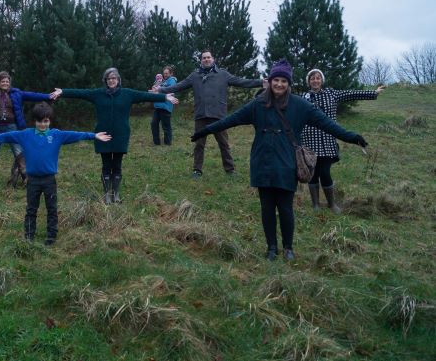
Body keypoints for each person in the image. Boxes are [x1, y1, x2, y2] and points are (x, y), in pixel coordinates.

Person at [190, 60, 368, 261]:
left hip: (287, 162)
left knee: (285, 207)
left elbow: (327, 124)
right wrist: (204, 130)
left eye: (284, 80)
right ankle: (271, 248)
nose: (279, 84)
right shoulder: (257, 104)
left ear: (288, 83)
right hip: (262, 161)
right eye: (276, 80)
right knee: (266, 207)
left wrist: (352, 137)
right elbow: (231, 120)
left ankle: (288, 247)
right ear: (270, 81)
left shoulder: (301, 106)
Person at [0, 102, 111, 245]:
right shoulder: (25, 135)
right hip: (32, 180)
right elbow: (7, 136)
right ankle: (29, 237)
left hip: (49, 180)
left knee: (52, 209)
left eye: (45, 121)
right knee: (31, 209)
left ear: (49, 121)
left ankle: (51, 237)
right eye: (39, 121)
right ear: (35, 121)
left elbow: (76, 135)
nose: (42, 125)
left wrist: (94, 135)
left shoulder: (56, 135)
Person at [51, 68, 178, 204]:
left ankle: (115, 194)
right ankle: (106, 194)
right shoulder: (98, 94)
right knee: (106, 165)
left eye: (114, 78)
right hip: (102, 135)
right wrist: (62, 92)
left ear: (118, 80)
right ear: (105, 80)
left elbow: (145, 95)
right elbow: (81, 93)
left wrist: (165, 97)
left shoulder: (127, 94)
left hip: (121, 134)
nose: (111, 80)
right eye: (109, 78)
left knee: (117, 165)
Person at [157, 50, 266, 178]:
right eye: (204, 58)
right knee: (199, 144)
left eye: (208, 57)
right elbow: (178, 86)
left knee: (224, 144)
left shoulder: (223, 75)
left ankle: (230, 170)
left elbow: (242, 81)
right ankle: (197, 170)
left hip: (218, 116)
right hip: (201, 116)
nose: (206, 59)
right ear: (201, 60)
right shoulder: (194, 76)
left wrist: (260, 82)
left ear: (213, 59)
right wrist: (160, 90)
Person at [301, 69, 385, 212]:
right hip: (310, 140)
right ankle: (315, 204)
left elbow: (352, 94)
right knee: (313, 172)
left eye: (318, 78)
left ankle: (331, 204)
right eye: (312, 78)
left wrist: (374, 92)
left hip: (328, 139)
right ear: (308, 81)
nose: (315, 81)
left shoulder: (332, 94)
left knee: (325, 172)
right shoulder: (303, 97)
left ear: (322, 80)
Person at [150, 66, 177, 145]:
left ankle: (167, 143)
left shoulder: (172, 81)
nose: (165, 75)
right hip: (157, 106)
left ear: (171, 73)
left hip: (165, 106)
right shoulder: (161, 81)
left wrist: (158, 90)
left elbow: (170, 90)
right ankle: (156, 142)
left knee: (166, 126)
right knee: (153, 124)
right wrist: (153, 89)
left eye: (167, 73)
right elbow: (155, 89)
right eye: (164, 73)